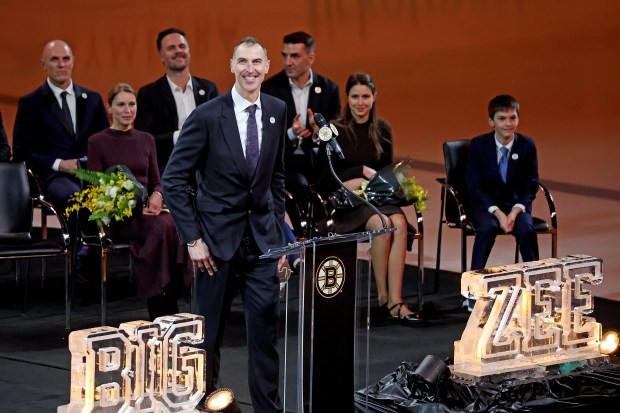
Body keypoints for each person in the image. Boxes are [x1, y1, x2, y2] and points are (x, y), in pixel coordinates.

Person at [162, 37, 286, 413]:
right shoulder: (206, 115)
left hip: (262, 243)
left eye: (257, 62)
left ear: (266, 68)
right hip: (214, 247)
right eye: (243, 61)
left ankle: (268, 409)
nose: (250, 69)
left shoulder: (277, 110)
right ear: (231, 66)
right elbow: (173, 180)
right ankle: (205, 405)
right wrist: (192, 239)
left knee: (265, 335)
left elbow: (276, 179)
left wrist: (279, 240)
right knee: (208, 336)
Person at [316, 73, 421, 324]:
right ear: (347, 99)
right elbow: (323, 178)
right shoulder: (333, 130)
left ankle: (396, 300)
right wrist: (359, 171)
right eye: (355, 96)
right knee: (383, 225)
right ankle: (384, 296)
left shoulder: (382, 130)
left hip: (376, 196)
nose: (360, 102)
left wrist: (398, 185)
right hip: (348, 202)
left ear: (374, 98)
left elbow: (386, 172)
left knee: (401, 224)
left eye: (365, 96)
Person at [87, 83, 193, 320]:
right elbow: (96, 189)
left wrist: (157, 196)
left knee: (176, 223)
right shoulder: (97, 141)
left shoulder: (146, 139)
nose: (128, 110)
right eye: (121, 105)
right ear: (110, 108)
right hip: (121, 215)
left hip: (150, 210)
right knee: (161, 226)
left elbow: (157, 180)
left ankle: (170, 291)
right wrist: (127, 205)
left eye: (132, 104)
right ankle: (159, 298)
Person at [12, 40, 109, 212]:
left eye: (66, 59)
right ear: (44, 64)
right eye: (54, 59)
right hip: (53, 175)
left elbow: (105, 142)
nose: (61, 64)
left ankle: (109, 238)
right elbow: (21, 150)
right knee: (72, 196)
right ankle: (76, 239)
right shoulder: (30, 103)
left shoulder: (93, 99)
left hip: (90, 174)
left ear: (73, 61)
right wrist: (59, 164)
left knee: (123, 194)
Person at [466, 94, 539, 271]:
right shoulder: (479, 145)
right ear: (491, 121)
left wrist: (514, 212)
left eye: (513, 118)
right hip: (486, 206)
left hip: (516, 206)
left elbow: (531, 185)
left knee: (526, 229)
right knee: (487, 228)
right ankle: (472, 289)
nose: (508, 123)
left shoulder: (527, 145)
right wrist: (498, 213)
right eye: (502, 119)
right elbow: (474, 186)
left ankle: (538, 283)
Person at [261, 31, 340, 192]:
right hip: (284, 165)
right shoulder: (268, 90)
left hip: (318, 163)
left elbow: (335, 131)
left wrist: (319, 134)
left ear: (310, 58)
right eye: (285, 56)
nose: (287, 62)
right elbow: (264, 136)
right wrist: (291, 133)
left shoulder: (329, 89)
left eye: (295, 56)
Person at [135, 28, 219, 177]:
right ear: (161, 56)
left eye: (182, 46)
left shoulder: (209, 88)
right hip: (169, 169)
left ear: (189, 51)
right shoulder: (148, 94)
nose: (178, 51)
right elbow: (144, 140)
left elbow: (221, 128)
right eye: (171, 48)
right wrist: (179, 136)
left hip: (209, 168)